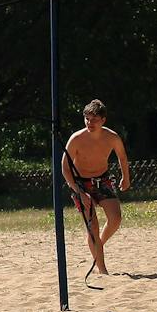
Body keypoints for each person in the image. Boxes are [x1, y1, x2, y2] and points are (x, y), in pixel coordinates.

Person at [62, 98, 134, 277]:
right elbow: (64, 167)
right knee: (92, 226)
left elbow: (122, 157)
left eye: (94, 119)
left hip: (102, 180)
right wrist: (78, 191)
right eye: (87, 119)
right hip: (80, 182)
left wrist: (126, 177)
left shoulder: (112, 137)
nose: (90, 123)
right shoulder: (77, 139)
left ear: (103, 120)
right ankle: (102, 270)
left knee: (115, 218)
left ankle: (97, 245)